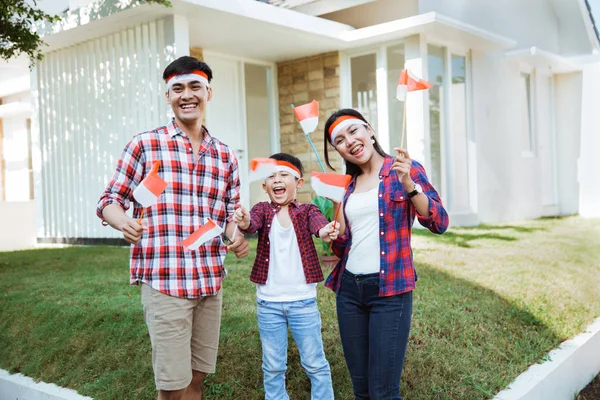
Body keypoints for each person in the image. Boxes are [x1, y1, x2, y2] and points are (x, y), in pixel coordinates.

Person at [96, 56, 249, 400]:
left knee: (196, 378)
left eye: (195, 86)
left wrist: (237, 237)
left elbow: (228, 217)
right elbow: (109, 199)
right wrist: (122, 220)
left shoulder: (225, 156)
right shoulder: (145, 145)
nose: (187, 95)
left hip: (210, 279)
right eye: (177, 88)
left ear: (209, 92)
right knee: (172, 385)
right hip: (165, 279)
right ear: (167, 96)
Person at [322, 109, 449, 400]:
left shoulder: (404, 169)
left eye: (354, 131)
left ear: (369, 130)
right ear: (338, 151)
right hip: (349, 291)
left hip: (390, 291)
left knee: (384, 392)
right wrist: (335, 231)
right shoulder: (346, 187)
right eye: (339, 140)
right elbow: (343, 246)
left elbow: (439, 222)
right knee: (363, 391)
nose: (350, 141)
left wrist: (410, 186)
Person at [232, 153, 338, 400]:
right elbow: (251, 224)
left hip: (303, 302)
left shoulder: (307, 211)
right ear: (264, 186)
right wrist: (245, 219)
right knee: (273, 364)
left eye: (284, 175)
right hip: (268, 303)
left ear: (298, 183)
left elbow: (319, 226)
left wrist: (326, 231)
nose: (277, 180)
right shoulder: (261, 210)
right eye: (271, 176)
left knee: (314, 361)